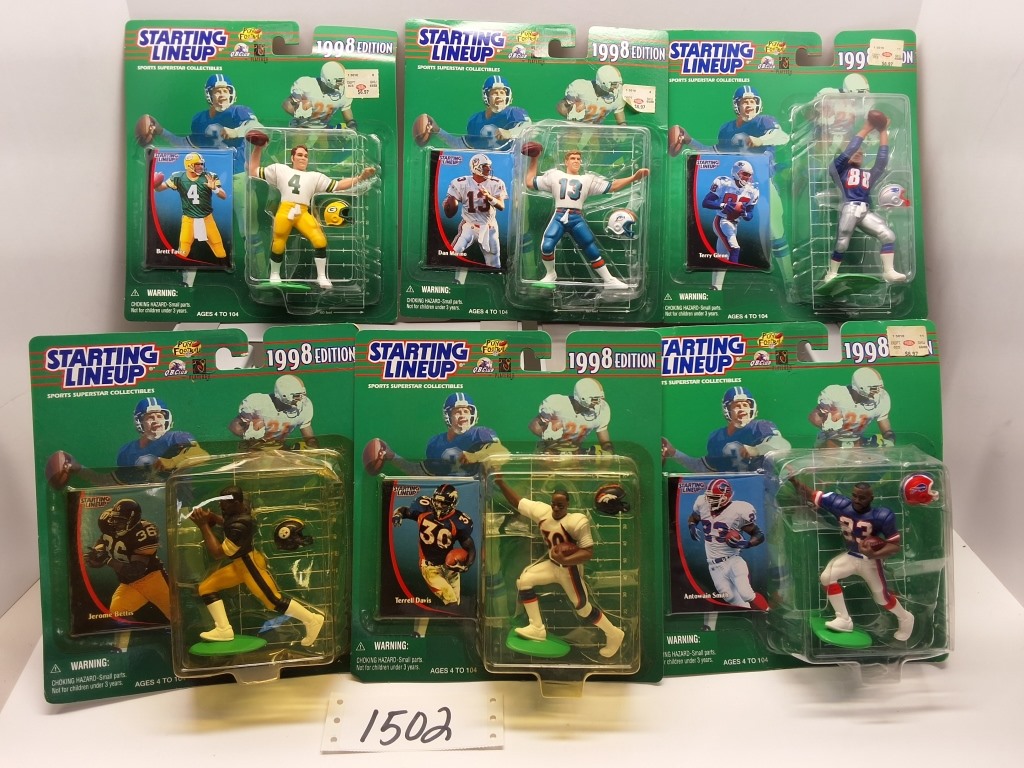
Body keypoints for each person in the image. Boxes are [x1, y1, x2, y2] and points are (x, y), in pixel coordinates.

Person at [135, 74, 263, 287]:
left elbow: (257, 128)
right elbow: (187, 145)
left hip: (238, 177)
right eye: (217, 91)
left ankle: (260, 277)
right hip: (209, 179)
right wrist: (161, 131)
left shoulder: (239, 112)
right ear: (209, 94)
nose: (222, 95)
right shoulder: (200, 119)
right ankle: (188, 281)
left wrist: (235, 131)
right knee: (195, 228)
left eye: (225, 90)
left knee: (249, 231)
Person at [673, 86, 792, 287]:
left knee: (775, 231)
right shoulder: (727, 129)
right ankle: (716, 286)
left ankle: (789, 281)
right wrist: (689, 141)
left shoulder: (764, 122)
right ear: (737, 105)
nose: (749, 105)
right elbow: (714, 152)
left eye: (752, 101)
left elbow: (783, 137)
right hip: (736, 187)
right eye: (745, 101)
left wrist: (759, 140)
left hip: (763, 184)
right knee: (726, 233)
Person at [494, 476, 624, 658]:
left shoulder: (576, 522)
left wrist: (566, 558)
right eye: (554, 504)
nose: (556, 508)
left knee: (583, 609)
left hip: (569, 570)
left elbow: (587, 552)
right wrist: (501, 482)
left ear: (567, 505)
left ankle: (613, 633)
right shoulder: (542, 512)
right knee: (525, 580)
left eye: (560, 505)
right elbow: (518, 502)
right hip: (553, 564)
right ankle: (537, 627)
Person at [189, 486, 324, 646]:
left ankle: (312, 620)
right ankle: (223, 629)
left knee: (273, 600)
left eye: (225, 502)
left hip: (249, 566)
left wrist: (203, 525)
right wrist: (211, 517)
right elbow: (228, 523)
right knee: (206, 588)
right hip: (240, 565)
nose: (221, 505)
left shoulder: (240, 526)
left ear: (236, 503)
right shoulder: (240, 511)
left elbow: (218, 553)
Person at [789, 477, 914, 641]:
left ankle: (905, 617)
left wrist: (874, 554)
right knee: (827, 577)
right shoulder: (840, 504)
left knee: (882, 598)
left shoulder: (882, 515)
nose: (857, 500)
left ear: (871, 498)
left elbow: (895, 546)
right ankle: (844, 619)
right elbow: (811, 494)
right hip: (851, 555)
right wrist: (794, 481)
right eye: (854, 495)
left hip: (870, 562)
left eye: (862, 497)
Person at [247, 140, 376, 289]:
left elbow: (338, 186)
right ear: (292, 157)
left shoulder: (315, 176)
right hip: (285, 209)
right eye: (299, 155)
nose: (303, 158)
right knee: (279, 241)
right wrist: (258, 148)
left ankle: (321, 276)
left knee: (320, 240)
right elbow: (253, 171)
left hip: (302, 211)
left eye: (306, 156)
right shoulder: (280, 169)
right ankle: (274, 274)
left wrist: (360, 178)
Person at [524, 147, 648, 290]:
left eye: (578, 159)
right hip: (559, 215)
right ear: (566, 162)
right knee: (547, 245)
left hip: (576, 217)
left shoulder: (587, 179)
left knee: (590, 247)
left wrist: (634, 178)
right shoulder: (555, 175)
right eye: (572, 158)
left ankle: (609, 280)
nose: (576, 161)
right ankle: (550, 275)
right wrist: (534, 158)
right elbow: (529, 183)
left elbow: (612, 186)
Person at [821, 115, 905, 285]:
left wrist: (883, 131)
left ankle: (889, 271)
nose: (859, 152)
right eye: (855, 151)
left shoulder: (868, 174)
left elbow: (882, 161)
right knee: (842, 241)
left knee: (888, 235)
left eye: (861, 151)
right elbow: (851, 149)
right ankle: (832, 273)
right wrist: (866, 129)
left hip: (865, 210)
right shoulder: (838, 171)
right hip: (850, 208)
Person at [85, 499, 171, 651]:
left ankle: (187, 639)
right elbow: (102, 546)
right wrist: (95, 555)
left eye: (120, 521)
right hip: (129, 583)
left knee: (176, 615)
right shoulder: (108, 524)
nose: (114, 523)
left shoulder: (142, 532)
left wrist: (107, 559)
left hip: (152, 579)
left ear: (133, 520)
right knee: (118, 609)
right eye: (114, 519)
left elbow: (135, 571)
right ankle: (121, 648)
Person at [663, 386, 790, 472]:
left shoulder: (760, 427)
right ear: (727, 410)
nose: (742, 409)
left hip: (762, 490)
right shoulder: (716, 437)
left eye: (745, 405)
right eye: (737, 405)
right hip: (731, 492)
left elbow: (783, 445)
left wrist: (756, 450)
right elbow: (703, 467)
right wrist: (673, 452)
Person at [687, 479, 769, 611]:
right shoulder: (702, 503)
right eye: (709, 497)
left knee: (746, 593)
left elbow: (759, 534)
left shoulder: (738, 511)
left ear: (726, 497)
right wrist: (691, 525)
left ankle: (768, 612)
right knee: (730, 598)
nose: (710, 501)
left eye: (714, 498)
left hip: (732, 560)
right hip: (713, 565)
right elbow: (694, 517)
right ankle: (752, 615)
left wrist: (747, 543)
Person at [391, 484, 476, 608]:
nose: (438, 505)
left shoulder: (457, 521)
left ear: (453, 504)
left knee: (457, 604)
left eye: (443, 503)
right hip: (430, 567)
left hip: (450, 566)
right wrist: (397, 515)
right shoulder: (425, 510)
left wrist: (466, 566)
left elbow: (470, 547)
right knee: (451, 602)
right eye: (436, 501)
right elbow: (404, 510)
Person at [418, 75, 532, 150]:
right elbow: (460, 145)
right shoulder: (475, 120)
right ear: (486, 96)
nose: (499, 96)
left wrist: (511, 133)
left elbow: (528, 126)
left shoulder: (513, 112)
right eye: (494, 93)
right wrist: (438, 130)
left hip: (510, 168)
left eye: (502, 92)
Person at [443, 153, 508, 284]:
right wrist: (449, 204)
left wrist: (489, 197)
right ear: (476, 167)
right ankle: (457, 281)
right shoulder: (461, 183)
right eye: (485, 166)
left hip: (489, 227)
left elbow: (501, 206)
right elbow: (450, 208)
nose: (489, 169)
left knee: (494, 262)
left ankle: (494, 284)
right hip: (469, 225)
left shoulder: (496, 183)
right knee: (454, 252)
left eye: (489, 166)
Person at [154, 152, 228, 260]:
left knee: (220, 251)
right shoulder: (178, 177)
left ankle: (222, 266)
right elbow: (160, 188)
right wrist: (155, 184)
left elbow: (224, 196)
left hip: (207, 218)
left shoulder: (209, 176)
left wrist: (215, 189)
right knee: (183, 251)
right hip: (188, 219)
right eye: (197, 164)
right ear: (189, 165)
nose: (201, 166)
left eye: (202, 164)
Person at [700, 160, 760, 291]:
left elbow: (750, 216)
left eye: (749, 175)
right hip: (721, 221)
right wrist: (722, 205)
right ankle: (735, 281)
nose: (747, 177)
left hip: (734, 225)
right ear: (736, 172)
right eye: (744, 174)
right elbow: (706, 202)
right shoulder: (724, 183)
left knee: (722, 256)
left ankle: (716, 287)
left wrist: (744, 213)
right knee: (734, 248)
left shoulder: (752, 190)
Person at [809, 367, 894, 448]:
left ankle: (866, 442)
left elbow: (886, 429)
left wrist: (889, 440)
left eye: (879, 388)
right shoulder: (837, 394)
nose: (878, 392)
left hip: (856, 442)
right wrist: (825, 425)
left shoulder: (881, 399)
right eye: (874, 388)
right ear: (861, 387)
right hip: (831, 440)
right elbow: (814, 416)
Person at [229, 374, 318, 448]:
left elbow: (309, 438)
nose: (301, 399)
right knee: (257, 424)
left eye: (302, 395)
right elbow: (234, 425)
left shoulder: (304, 406)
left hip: (278, 447)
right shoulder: (259, 403)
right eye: (297, 396)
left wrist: (315, 449)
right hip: (254, 447)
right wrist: (248, 436)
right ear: (284, 394)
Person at [529, 377, 612, 455]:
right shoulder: (558, 404)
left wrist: (609, 452)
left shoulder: (601, 410)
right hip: (551, 449)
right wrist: (545, 435)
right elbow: (533, 425)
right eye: (595, 399)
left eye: (599, 399)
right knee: (556, 424)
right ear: (583, 397)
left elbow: (605, 442)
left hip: (574, 451)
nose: (598, 403)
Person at [283, 60, 355, 129]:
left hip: (323, 127)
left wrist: (352, 126)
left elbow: (349, 118)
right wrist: (297, 113)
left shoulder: (343, 92)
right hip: (302, 126)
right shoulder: (307, 85)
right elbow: (286, 103)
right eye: (339, 80)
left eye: (343, 80)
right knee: (300, 136)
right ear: (328, 79)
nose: (342, 83)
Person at [557, 64, 626, 125]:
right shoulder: (581, 87)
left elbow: (619, 111)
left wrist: (622, 125)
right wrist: (570, 114)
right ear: (603, 82)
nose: (617, 87)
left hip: (596, 130)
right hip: (576, 127)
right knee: (572, 134)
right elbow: (561, 105)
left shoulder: (617, 95)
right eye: (614, 84)